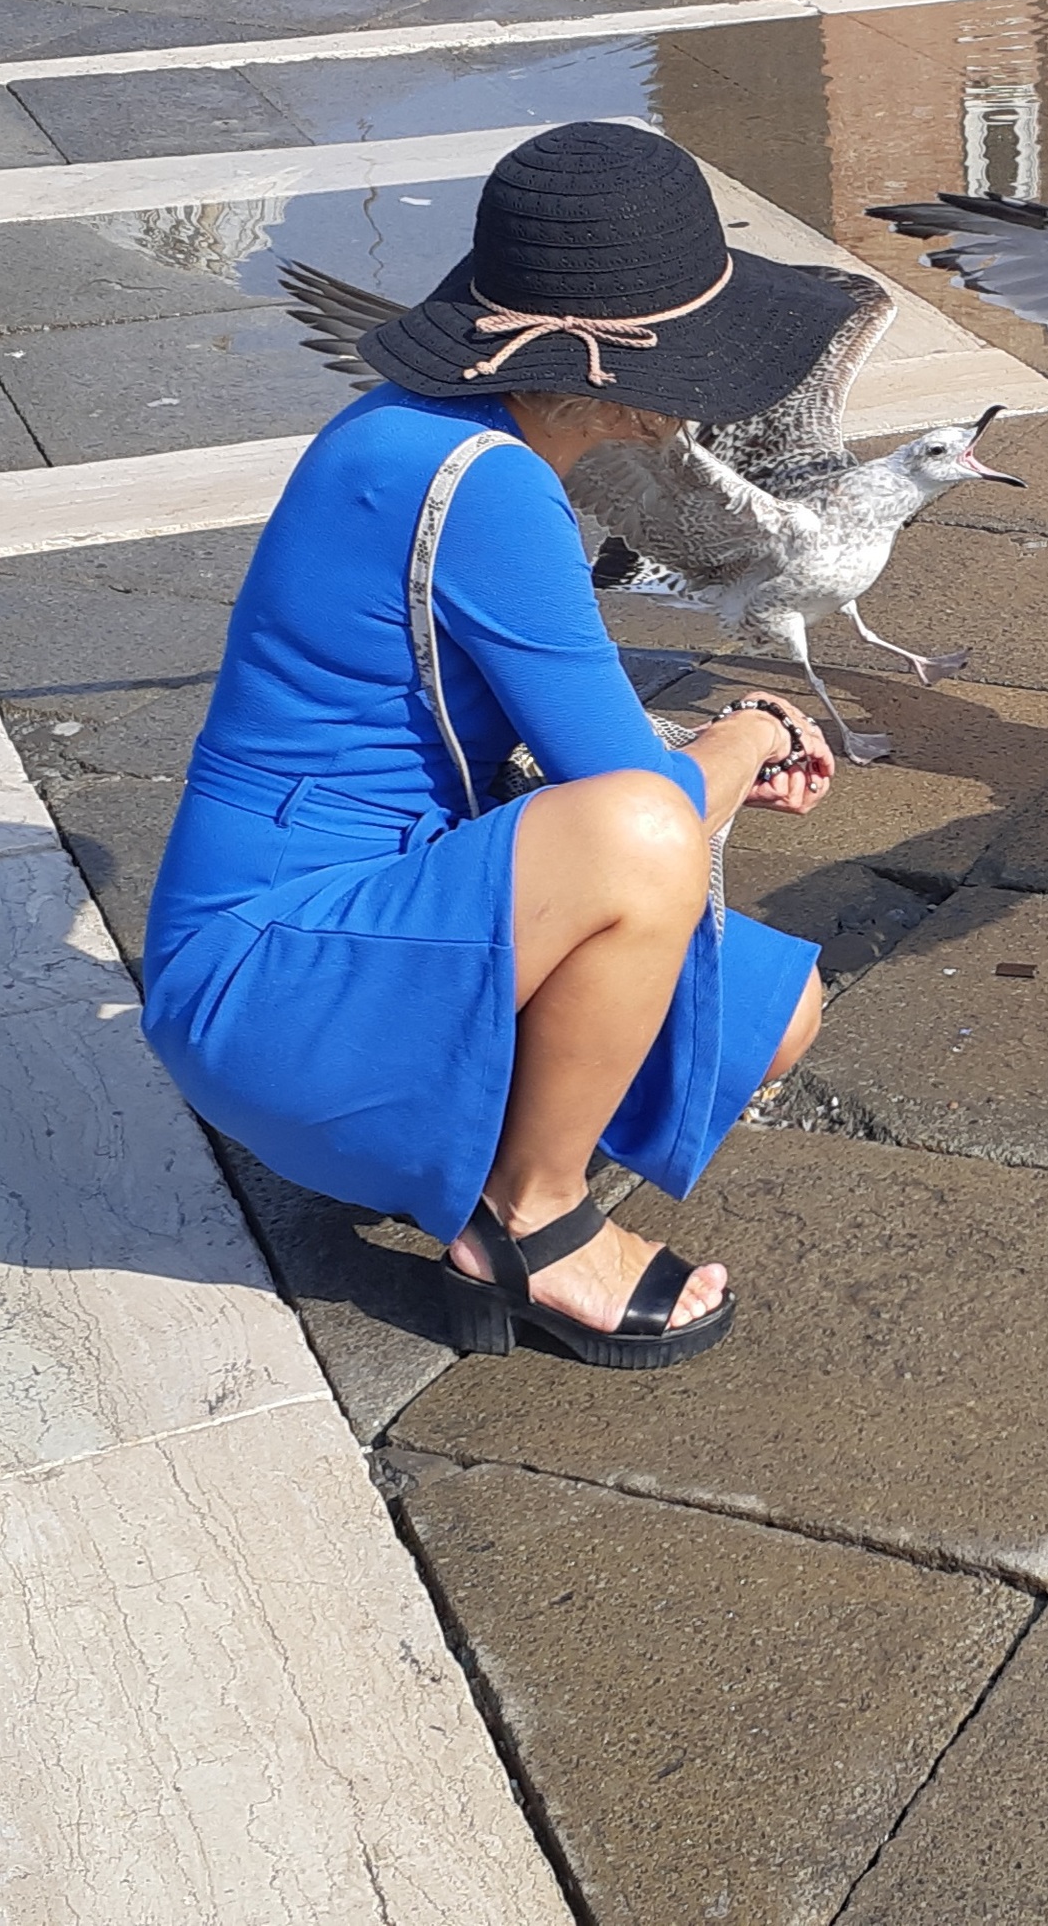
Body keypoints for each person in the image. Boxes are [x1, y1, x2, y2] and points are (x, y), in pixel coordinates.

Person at [141, 121, 852, 1369]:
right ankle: (532, 1219)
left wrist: (711, 751)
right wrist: (753, 733)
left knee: (774, 1016)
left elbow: (573, 736)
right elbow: (629, 798)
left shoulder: (423, 430)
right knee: (645, 835)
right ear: (598, 365)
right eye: (691, 351)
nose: (703, 385)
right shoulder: (487, 481)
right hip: (264, 987)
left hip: (325, 930)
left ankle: (453, 1132)